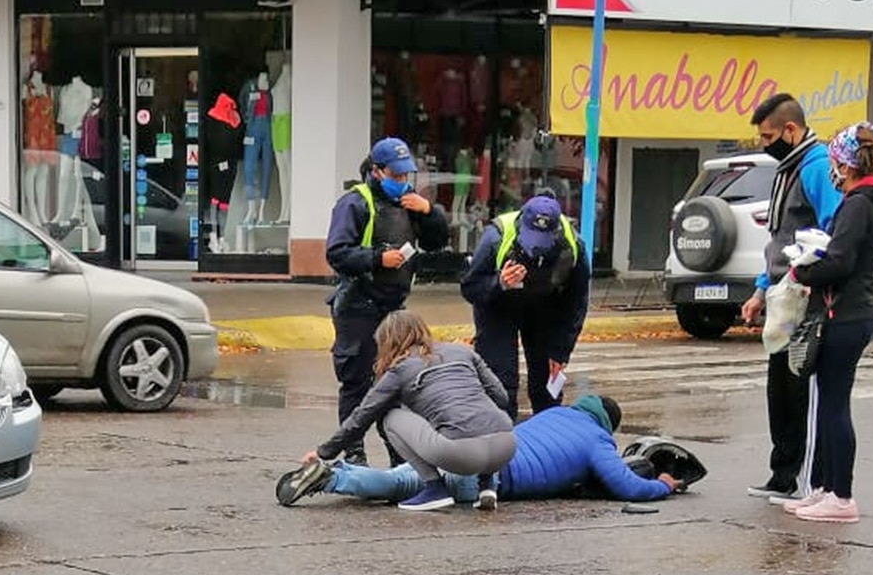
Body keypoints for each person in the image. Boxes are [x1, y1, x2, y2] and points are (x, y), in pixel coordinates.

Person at [778, 123, 873, 524]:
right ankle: (826, 488)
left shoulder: (860, 204)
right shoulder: (865, 200)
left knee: (833, 406)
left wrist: (802, 273)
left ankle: (841, 496)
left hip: (846, 315)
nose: (831, 170)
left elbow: (841, 261)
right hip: (848, 313)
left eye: (833, 162)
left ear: (845, 165)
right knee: (829, 404)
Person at [285, 311, 515, 512]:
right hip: (506, 446)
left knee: (389, 417)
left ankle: (435, 489)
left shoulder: (399, 369)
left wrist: (324, 452)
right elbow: (501, 397)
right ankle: (487, 487)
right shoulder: (463, 352)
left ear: (387, 342)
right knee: (483, 411)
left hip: (462, 455)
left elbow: (362, 416)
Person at [280, 395, 682, 508]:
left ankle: (336, 472)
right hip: (486, 477)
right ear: (608, 426)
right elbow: (624, 485)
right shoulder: (596, 440)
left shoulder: (555, 416)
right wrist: (662, 485)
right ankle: (336, 477)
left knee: (408, 473)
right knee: (397, 483)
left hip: (468, 444)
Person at [739, 94, 842, 502]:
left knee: (798, 389)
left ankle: (799, 479)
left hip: (806, 295)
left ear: (790, 130)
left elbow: (832, 227)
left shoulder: (815, 166)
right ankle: (781, 474)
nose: (764, 143)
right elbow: (778, 238)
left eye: (768, 136)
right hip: (783, 293)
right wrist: (761, 289)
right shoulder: (787, 167)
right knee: (778, 388)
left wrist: (812, 279)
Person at [324, 138, 450, 465]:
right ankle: (354, 455)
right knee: (356, 382)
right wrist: (378, 259)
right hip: (357, 305)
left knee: (396, 385)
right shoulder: (355, 203)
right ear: (377, 172)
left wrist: (430, 213)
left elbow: (436, 243)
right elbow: (337, 252)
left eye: (406, 175)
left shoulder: (411, 203)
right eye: (395, 176)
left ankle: (400, 456)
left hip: (393, 308)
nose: (402, 182)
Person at [461, 192, 590, 421]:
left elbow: (576, 303)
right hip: (498, 308)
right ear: (522, 224)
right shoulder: (496, 238)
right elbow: (470, 288)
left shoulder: (573, 246)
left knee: (546, 385)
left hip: (545, 307)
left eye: (543, 241)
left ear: (555, 232)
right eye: (531, 239)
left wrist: (561, 351)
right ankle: (501, 443)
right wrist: (499, 283)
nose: (535, 248)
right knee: (501, 383)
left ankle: (548, 442)